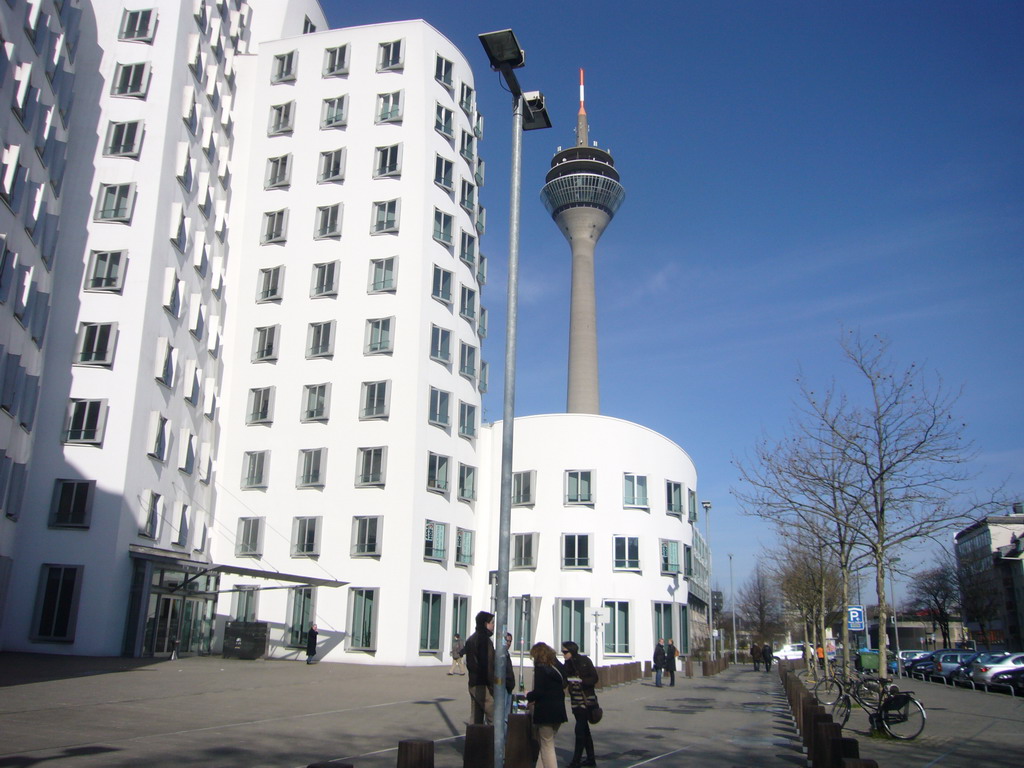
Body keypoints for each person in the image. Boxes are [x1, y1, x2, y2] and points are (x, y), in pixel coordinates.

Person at [526, 642, 567, 768]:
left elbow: (539, 691)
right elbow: (565, 683)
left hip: (545, 711)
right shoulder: (558, 665)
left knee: (547, 746)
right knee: (546, 744)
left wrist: (528, 695)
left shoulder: (541, 668)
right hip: (559, 709)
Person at [561, 641, 598, 768]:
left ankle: (576, 761)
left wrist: (581, 681)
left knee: (580, 730)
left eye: (565, 652)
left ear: (571, 651)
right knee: (584, 730)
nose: (563, 654)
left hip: (586, 700)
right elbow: (564, 681)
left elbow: (594, 678)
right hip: (575, 701)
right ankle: (591, 759)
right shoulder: (567, 664)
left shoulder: (584, 661)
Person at [464, 611, 496, 724]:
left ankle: (475, 740)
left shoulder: (472, 639)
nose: (493, 626)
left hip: (473, 682)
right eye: (492, 623)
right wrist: (492, 685)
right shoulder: (484, 641)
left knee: (476, 718)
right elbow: (487, 664)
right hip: (483, 684)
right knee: (494, 717)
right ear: (485, 624)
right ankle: (493, 741)